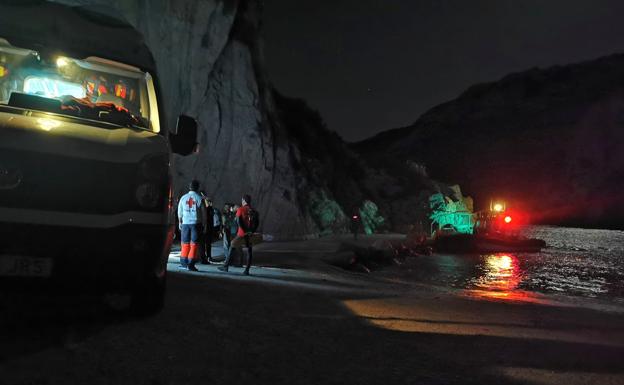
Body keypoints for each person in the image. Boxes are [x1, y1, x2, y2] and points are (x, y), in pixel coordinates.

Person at [219, 194, 259, 275]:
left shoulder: (240, 209)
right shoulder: (254, 211)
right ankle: (247, 270)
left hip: (241, 234)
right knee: (249, 251)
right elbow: (257, 223)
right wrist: (251, 231)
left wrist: (244, 231)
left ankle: (226, 266)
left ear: (244, 200)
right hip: (250, 234)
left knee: (232, 246)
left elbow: (239, 222)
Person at [177, 180, 207, 271]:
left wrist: (180, 222)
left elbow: (179, 212)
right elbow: (204, 214)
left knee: (185, 243)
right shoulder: (199, 198)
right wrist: (205, 225)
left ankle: (183, 263)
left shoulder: (183, 198)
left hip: (185, 224)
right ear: (197, 188)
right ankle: (191, 264)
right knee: (194, 244)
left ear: (189, 187)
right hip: (196, 224)